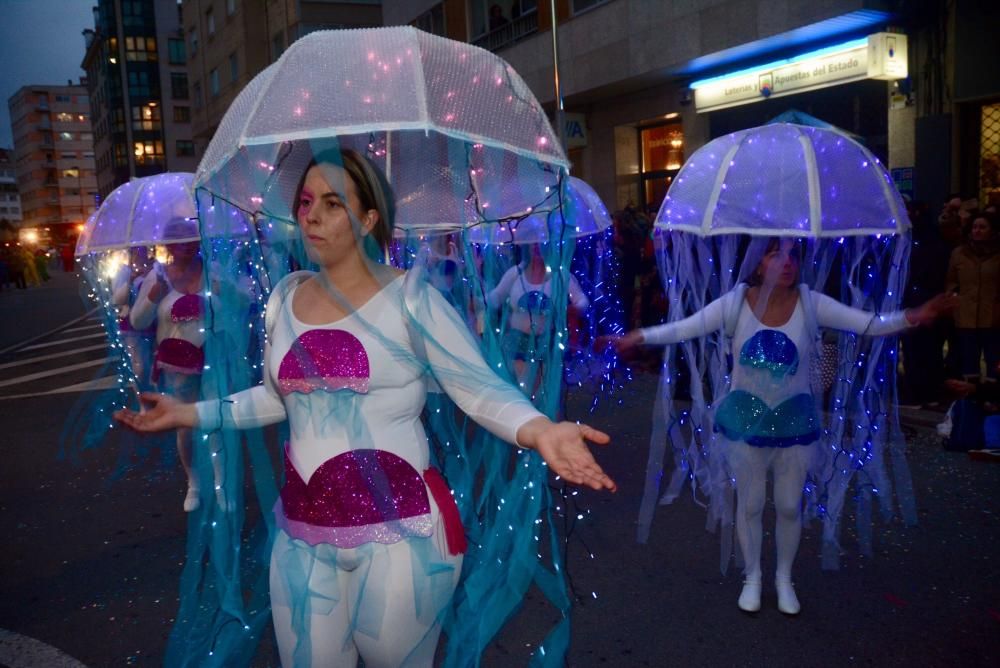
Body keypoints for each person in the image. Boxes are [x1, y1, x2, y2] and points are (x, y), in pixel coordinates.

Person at [115, 150, 615, 666]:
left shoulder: (412, 299)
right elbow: (273, 395)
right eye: (306, 202)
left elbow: (479, 388)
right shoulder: (284, 300)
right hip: (303, 533)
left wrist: (538, 430)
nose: (311, 215)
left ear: (369, 218)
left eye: (333, 204)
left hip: (405, 538)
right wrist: (188, 413)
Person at [611, 238, 954, 615]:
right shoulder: (735, 304)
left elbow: (868, 324)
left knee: (790, 505)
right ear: (759, 264)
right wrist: (640, 336)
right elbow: (684, 328)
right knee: (752, 503)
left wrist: (912, 317)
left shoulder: (811, 302)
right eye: (777, 254)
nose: (788, 263)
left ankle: (784, 578)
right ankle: (753, 577)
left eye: (794, 255)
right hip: (745, 419)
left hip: (794, 419)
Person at [129, 220, 225, 512]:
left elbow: (242, 303)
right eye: (181, 239)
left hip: (214, 358)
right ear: (169, 244)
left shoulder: (213, 269)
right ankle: (193, 482)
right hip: (176, 365)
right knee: (185, 423)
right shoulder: (157, 276)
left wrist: (227, 292)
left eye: (193, 237)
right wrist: (153, 294)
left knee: (214, 419)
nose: (189, 244)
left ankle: (221, 485)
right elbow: (137, 322)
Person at [487, 242, 589, 394]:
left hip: (547, 345)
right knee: (521, 392)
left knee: (545, 392)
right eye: (533, 241)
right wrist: (479, 295)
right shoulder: (515, 273)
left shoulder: (560, 275)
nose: (537, 246)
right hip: (517, 345)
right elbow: (496, 297)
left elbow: (582, 300)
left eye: (543, 241)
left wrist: (573, 308)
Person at [946, 212, 1000, 380]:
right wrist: (954, 299)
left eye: (982, 227)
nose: (977, 231)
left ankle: (992, 399)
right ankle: (971, 399)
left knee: (994, 360)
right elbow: (951, 280)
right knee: (969, 361)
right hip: (966, 316)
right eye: (975, 227)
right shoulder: (959, 253)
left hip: (993, 317)